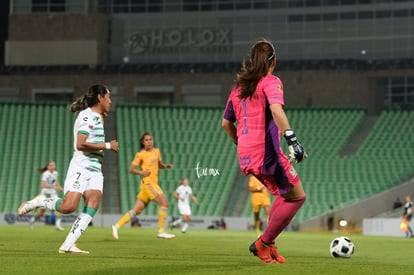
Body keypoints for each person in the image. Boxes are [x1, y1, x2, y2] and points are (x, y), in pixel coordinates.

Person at [222, 39, 307, 264]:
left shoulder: (239, 87)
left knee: (283, 194)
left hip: (246, 154)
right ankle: (262, 243)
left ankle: (269, 244)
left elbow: (225, 123)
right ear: (274, 61)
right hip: (267, 153)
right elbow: (276, 111)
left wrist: (239, 143)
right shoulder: (271, 82)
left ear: (251, 61)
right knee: (298, 197)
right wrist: (293, 142)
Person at [18, 84, 119, 254]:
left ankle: (68, 244)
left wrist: (102, 118)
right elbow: (80, 144)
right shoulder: (87, 116)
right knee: (68, 207)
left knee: (93, 203)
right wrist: (108, 145)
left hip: (96, 168)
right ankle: (39, 201)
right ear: (100, 98)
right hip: (82, 165)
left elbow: (93, 133)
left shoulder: (98, 116)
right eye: (108, 97)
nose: (110, 100)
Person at [112, 132, 175, 240]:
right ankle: (161, 231)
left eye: (150, 139)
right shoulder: (140, 154)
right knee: (164, 203)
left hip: (152, 184)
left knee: (136, 210)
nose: (149, 141)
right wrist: (142, 173)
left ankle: (116, 226)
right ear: (142, 142)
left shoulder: (156, 151)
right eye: (146, 140)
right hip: (148, 183)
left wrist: (165, 166)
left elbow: (159, 165)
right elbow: (131, 170)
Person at [29, 161, 65, 231]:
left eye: (53, 165)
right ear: (48, 167)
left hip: (53, 194)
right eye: (51, 165)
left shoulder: (55, 173)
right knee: (42, 211)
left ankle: (58, 225)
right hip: (45, 194)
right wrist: (53, 187)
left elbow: (55, 181)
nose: (52, 166)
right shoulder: (45, 174)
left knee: (59, 207)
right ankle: (32, 221)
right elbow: (42, 185)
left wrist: (60, 187)